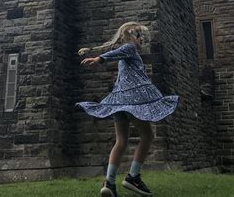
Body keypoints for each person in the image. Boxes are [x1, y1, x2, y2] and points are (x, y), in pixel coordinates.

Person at [76, 22, 179, 197]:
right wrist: (99, 59)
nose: (141, 40)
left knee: (121, 141)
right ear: (132, 37)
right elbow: (116, 53)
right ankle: (133, 177)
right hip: (133, 101)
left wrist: (100, 57)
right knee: (147, 135)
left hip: (119, 102)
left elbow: (117, 55)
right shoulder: (130, 47)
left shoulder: (127, 52)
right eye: (139, 36)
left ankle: (109, 183)